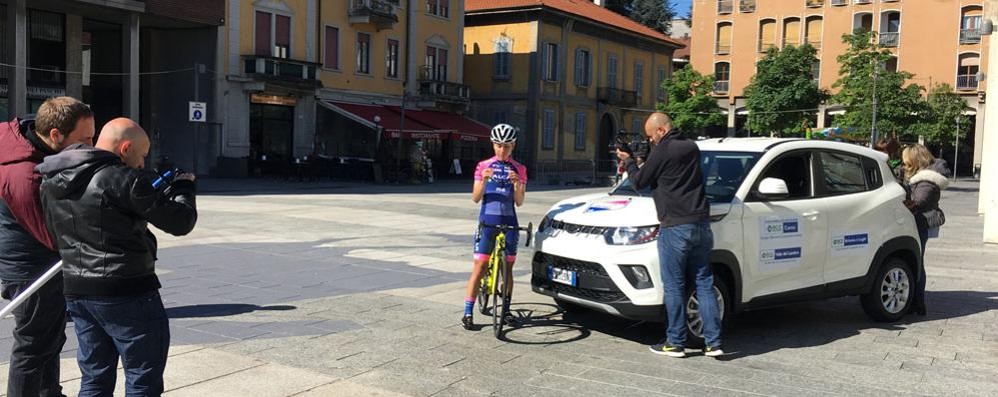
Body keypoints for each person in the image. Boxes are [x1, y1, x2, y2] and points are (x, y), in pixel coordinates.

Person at [37, 118, 198, 396]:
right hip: (127, 289)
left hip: (77, 288)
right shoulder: (124, 178)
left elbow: (55, 230)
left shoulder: (52, 178)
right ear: (125, 148)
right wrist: (184, 190)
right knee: (142, 376)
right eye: (142, 154)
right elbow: (180, 222)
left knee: (94, 376)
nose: (142, 164)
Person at [0, 96, 95, 397]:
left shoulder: (32, 143)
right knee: (32, 344)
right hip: (30, 269)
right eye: (84, 139)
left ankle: (48, 392)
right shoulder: (24, 176)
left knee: (50, 338)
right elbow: (52, 234)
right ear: (55, 135)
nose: (91, 145)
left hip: (41, 262)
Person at [617, 112, 723, 358]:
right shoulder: (691, 146)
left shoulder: (663, 150)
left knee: (674, 285)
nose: (651, 141)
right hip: (700, 223)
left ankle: (675, 342)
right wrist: (645, 157)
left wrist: (630, 161)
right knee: (704, 283)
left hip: (675, 226)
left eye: (651, 136)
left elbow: (640, 182)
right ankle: (713, 343)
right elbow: (668, 174)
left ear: (662, 131)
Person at [461, 123, 527, 330]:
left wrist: (517, 185)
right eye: (498, 145)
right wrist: (484, 180)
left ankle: (505, 310)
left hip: (509, 224)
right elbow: (475, 198)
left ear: (513, 146)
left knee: (508, 269)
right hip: (487, 222)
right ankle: (468, 312)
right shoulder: (483, 166)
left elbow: (519, 202)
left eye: (506, 146)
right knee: (480, 267)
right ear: (493, 144)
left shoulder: (520, 169)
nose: (502, 150)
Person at [902, 144, 948, 317]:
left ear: (915, 159)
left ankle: (917, 303)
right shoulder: (920, 176)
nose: (904, 164)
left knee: (917, 262)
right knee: (917, 261)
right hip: (916, 222)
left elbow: (918, 202)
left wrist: (901, 198)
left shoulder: (928, 179)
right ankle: (915, 301)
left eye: (906, 160)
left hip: (920, 223)